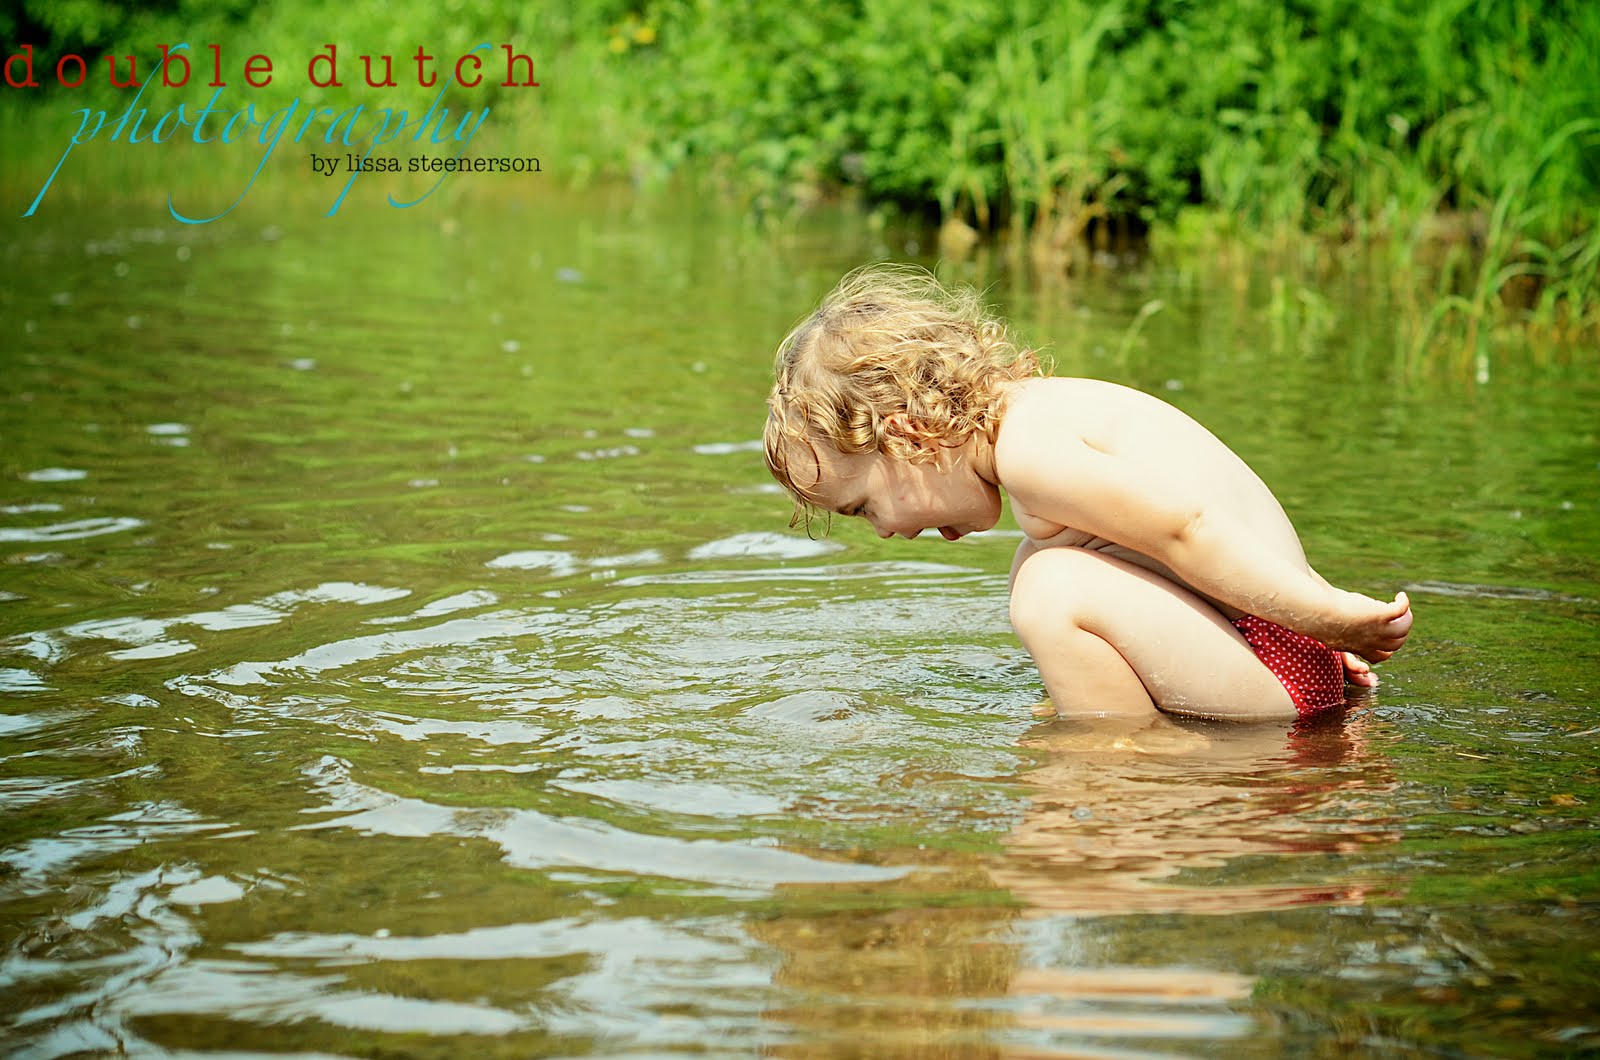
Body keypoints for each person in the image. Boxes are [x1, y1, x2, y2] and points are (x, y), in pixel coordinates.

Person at [762, 264, 1413, 722]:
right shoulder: (1049, 411)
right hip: (1288, 648)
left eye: (864, 505)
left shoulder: (1029, 454)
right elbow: (1224, 513)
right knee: (1041, 558)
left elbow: (1186, 529)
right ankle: (1104, 717)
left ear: (909, 438)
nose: (882, 529)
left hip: (1280, 665)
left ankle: (1120, 758)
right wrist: (1316, 619)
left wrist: (1324, 619)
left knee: (1049, 590)